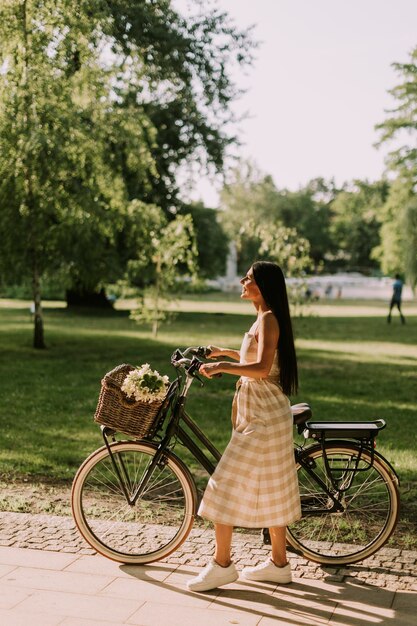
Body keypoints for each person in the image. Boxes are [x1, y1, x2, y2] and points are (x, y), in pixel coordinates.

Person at [187, 261, 301, 593]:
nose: (242, 281)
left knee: (222, 485)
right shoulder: (264, 319)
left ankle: (222, 565)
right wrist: (224, 352)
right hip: (264, 415)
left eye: (248, 278)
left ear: (262, 286)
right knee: (272, 485)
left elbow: (263, 368)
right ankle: (279, 565)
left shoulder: (268, 320)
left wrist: (223, 366)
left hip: (264, 418)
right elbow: (261, 357)